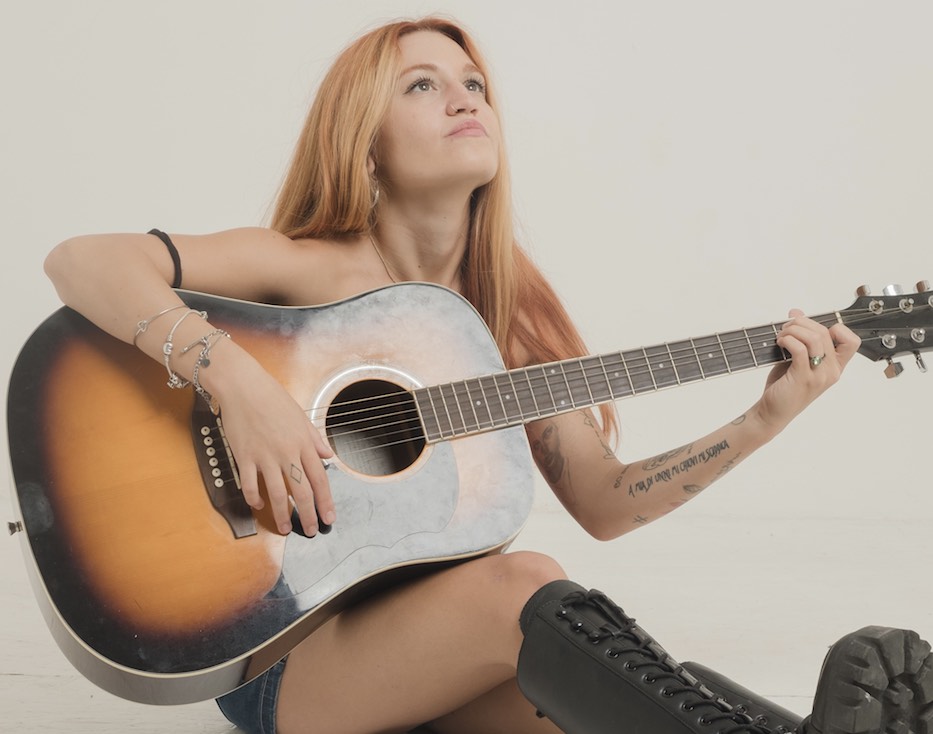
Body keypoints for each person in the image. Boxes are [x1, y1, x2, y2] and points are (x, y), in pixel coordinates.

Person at [43, 17, 931, 734]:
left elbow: (605, 502)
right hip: (280, 654)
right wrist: (239, 388)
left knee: (599, 702)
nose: (464, 97)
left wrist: (763, 420)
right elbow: (82, 260)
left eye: (473, 83)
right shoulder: (310, 267)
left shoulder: (508, 314)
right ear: (364, 140)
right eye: (421, 85)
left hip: (431, 647)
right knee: (523, 582)